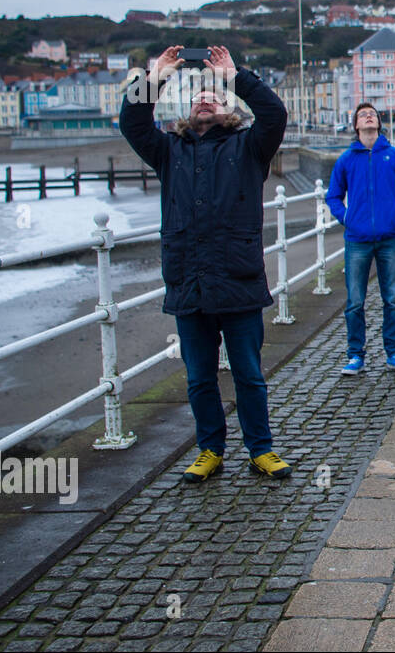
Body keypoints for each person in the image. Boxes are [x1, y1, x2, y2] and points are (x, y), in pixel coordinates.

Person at [119, 45, 292, 482]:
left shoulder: (250, 146)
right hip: (188, 280)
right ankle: (210, 450)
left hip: (238, 279)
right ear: (185, 109)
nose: (204, 99)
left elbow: (274, 114)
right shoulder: (168, 151)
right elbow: (132, 122)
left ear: (229, 109)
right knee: (199, 378)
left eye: (214, 96)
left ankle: (261, 450)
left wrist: (235, 77)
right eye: (197, 96)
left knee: (249, 375)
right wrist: (154, 78)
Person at [326, 104, 395, 375]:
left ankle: (394, 352)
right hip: (357, 239)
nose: (368, 117)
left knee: (392, 299)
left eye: (372, 114)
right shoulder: (346, 159)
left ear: (378, 122)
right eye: (362, 115)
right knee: (355, 300)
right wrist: (346, 218)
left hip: (389, 237)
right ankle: (355, 354)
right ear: (355, 125)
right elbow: (333, 195)